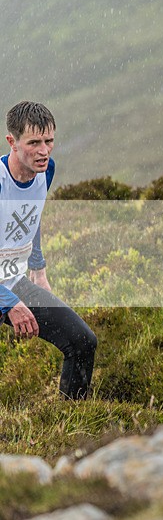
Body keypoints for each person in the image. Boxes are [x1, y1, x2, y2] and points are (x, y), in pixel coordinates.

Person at [0, 101, 97, 400]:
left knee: (82, 341)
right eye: (34, 143)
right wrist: (10, 303)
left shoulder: (46, 170)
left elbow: (32, 214)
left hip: (12, 278)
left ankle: (72, 424)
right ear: (12, 142)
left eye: (49, 141)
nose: (44, 151)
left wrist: (38, 269)